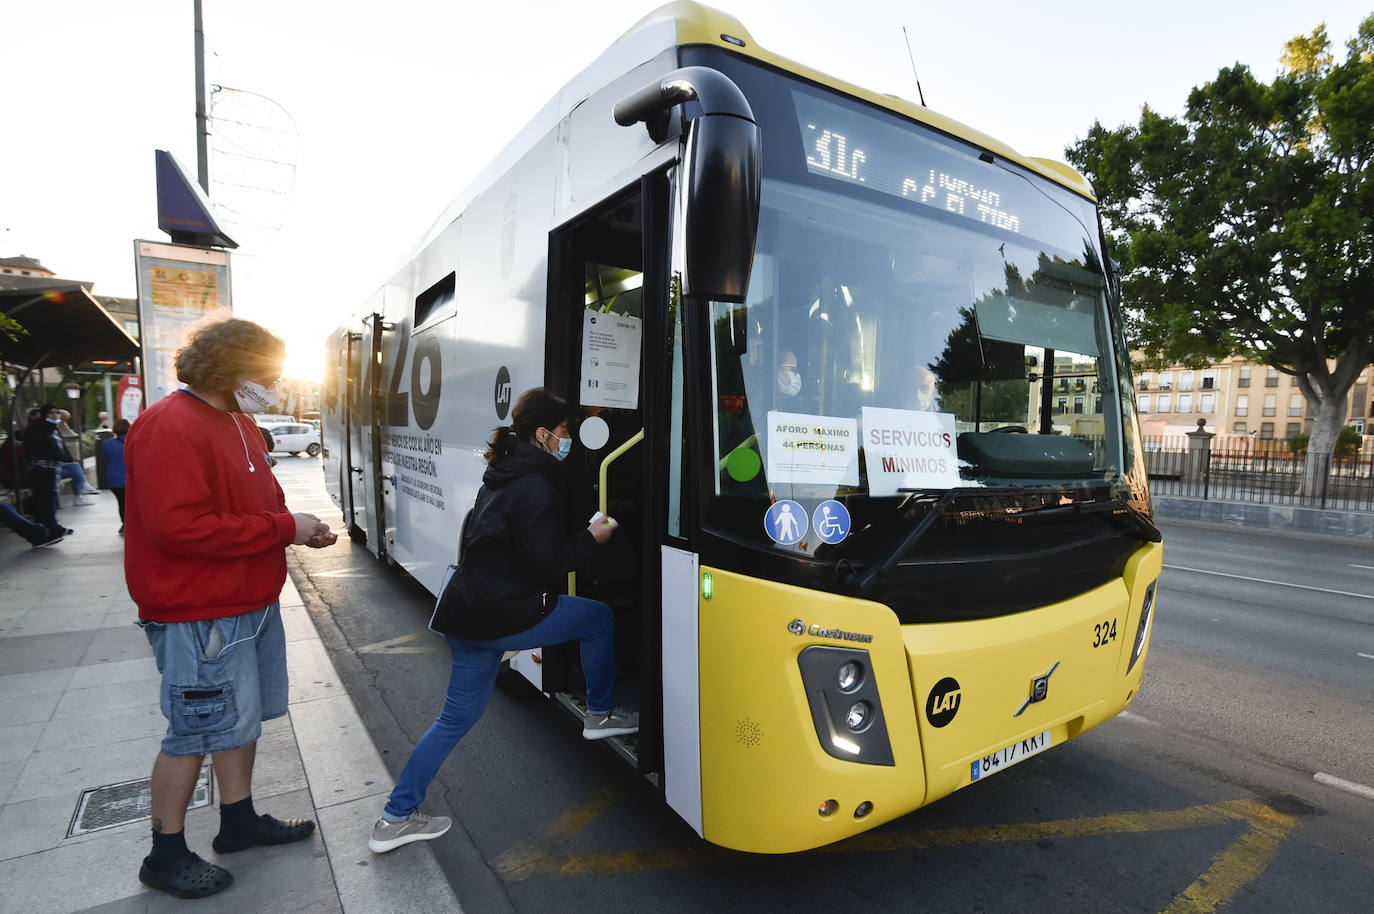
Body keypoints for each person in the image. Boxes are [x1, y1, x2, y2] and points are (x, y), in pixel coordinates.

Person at [125, 318, 339, 900]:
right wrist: (280, 527)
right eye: (265, 373)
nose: (272, 384)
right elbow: (177, 527)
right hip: (199, 613)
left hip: (247, 603)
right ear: (230, 367)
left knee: (238, 719)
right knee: (194, 729)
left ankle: (238, 820)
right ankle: (165, 852)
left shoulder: (239, 422)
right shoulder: (168, 426)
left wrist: (295, 529)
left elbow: (260, 501)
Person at [368, 387, 634, 854]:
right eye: (566, 433)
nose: (568, 440)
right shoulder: (537, 485)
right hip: (503, 613)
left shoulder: (501, 474)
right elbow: (545, 564)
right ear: (543, 435)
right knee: (599, 619)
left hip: (468, 614)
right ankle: (599, 712)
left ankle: (394, 818)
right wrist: (592, 537)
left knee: (454, 719)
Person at [20, 404, 67, 535]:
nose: (55, 415)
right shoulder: (36, 429)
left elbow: (60, 446)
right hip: (41, 469)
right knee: (46, 498)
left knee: (49, 497)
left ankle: (51, 525)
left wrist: (65, 457)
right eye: (51, 413)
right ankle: (51, 526)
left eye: (57, 412)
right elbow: (37, 448)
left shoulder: (53, 429)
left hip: (53, 468)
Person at [100, 418, 130, 534]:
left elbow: (106, 459)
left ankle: (125, 524)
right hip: (130, 478)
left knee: (121, 502)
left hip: (114, 479)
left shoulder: (107, 444)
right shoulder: (134, 441)